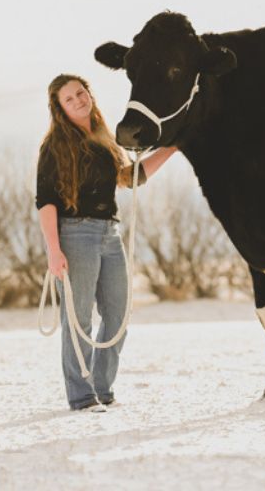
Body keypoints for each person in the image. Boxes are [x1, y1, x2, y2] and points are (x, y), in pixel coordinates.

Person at [36, 73, 176, 412]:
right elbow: (46, 202)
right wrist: (54, 251)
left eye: (80, 93)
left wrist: (172, 147)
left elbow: (130, 178)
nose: (78, 101)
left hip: (110, 234)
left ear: (89, 95)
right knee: (79, 319)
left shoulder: (104, 137)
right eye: (69, 99)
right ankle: (82, 396)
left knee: (117, 314)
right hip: (75, 234)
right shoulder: (55, 146)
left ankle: (102, 388)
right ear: (60, 109)